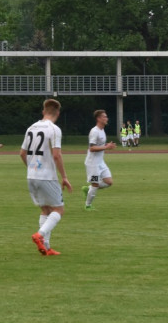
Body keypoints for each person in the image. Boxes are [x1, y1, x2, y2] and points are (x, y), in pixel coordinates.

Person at [22, 99, 73, 256]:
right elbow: (56, 155)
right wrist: (64, 177)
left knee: (46, 209)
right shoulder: (54, 129)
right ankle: (40, 235)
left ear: (43, 111)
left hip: (31, 175)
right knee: (59, 209)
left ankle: (46, 247)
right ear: (57, 113)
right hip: (47, 176)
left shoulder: (31, 127)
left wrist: (32, 168)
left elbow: (22, 154)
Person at [83, 109, 116, 210]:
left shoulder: (102, 130)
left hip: (100, 162)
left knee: (109, 182)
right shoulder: (94, 131)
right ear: (98, 118)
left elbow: (99, 145)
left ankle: (88, 189)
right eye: (104, 117)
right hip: (92, 163)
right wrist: (106, 147)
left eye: (106, 116)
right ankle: (88, 206)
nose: (106, 118)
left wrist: (107, 145)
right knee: (95, 184)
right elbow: (92, 148)